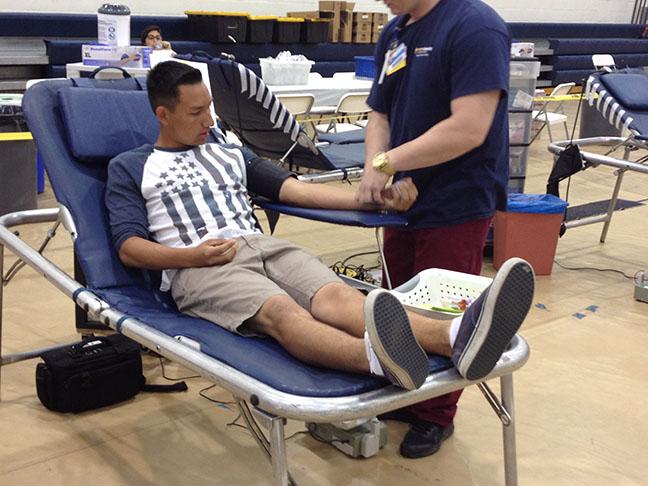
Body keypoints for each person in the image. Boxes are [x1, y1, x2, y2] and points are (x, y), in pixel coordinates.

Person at [105, 61, 533, 398]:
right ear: (163, 114)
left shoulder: (229, 153)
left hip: (261, 246)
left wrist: (375, 197)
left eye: (210, 108)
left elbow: (297, 191)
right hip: (199, 266)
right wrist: (190, 257)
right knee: (281, 313)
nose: (209, 120)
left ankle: (455, 336)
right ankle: (378, 360)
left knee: (338, 298)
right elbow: (129, 247)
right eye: (197, 112)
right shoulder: (132, 167)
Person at [356, 0, 513, 459]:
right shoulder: (395, 33)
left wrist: (388, 163)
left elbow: (468, 127)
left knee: (442, 309)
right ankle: (405, 390)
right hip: (401, 197)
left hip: (456, 198)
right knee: (398, 302)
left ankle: (436, 413)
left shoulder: (475, 26)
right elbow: (380, 115)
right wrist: (375, 169)